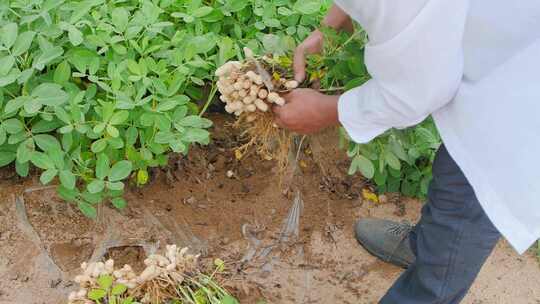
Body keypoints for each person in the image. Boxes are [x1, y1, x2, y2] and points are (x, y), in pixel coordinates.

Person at [273, 1, 540, 303]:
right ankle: (423, 244)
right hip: (506, 39)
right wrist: (329, 26)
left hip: (524, 94)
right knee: (456, 155)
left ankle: (429, 282)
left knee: (470, 190)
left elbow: (419, 91)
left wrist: (330, 110)